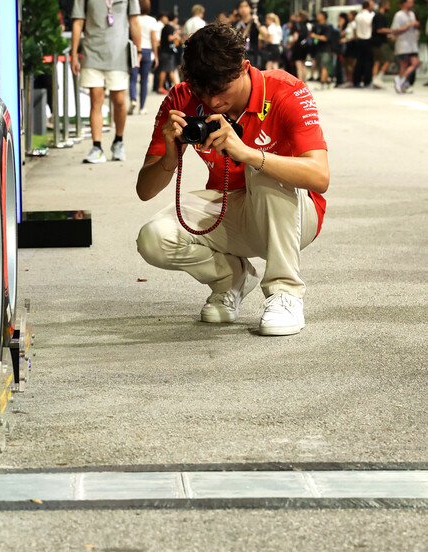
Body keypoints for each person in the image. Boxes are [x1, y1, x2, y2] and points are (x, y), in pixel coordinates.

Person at [134, 22, 330, 336]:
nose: (212, 102)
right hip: (231, 209)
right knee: (153, 238)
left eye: (220, 91)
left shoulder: (285, 89)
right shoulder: (181, 99)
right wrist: (170, 158)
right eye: (203, 92)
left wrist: (248, 153)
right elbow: (145, 190)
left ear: (242, 69)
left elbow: (320, 177)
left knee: (262, 171)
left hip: (293, 216)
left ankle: (285, 293)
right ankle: (231, 280)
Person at [71, 0, 143, 163]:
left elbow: (134, 21)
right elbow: (78, 21)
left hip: (118, 54)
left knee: (119, 101)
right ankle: (97, 147)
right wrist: (74, 54)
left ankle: (119, 140)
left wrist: (138, 51)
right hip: (91, 52)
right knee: (96, 100)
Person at [130, 0, 160, 115]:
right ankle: (142, 107)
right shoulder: (152, 21)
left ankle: (133, 98)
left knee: (133, 78)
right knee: (144, 80)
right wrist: (156, 56)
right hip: (147, 51)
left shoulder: (133, 18)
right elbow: (154, 40)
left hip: (135, 50)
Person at [391, 0, 421, 93]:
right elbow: (395, 30)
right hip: (403, 43)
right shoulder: (399, 15)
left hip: (412, 43)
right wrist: (409, 25)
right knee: (404, 65)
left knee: (414, 63)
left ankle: (401, 82)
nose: (412, 2)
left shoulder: (412, 14)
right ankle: (401, 83)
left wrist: (415, 26)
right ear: (404, 3)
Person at [309, 11, 340, 88]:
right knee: (320, 66)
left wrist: (315, 36)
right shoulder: (315, 26)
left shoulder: (328, 27)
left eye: (319, 14)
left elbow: (326, 38)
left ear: (323, 16)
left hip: (326, 49)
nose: (318, 16)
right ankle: (324, 81)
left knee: (324, 66)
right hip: (317, 49)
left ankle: (323, 83)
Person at [157, 14, 182, 94]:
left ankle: (172, 87)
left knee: (167, 70)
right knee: (168, 70)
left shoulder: (165, 27)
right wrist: (176, 36)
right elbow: (169, 38)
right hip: (168, 52)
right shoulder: (170, 27)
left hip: (165, 51)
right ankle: (176, 88)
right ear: (175, 20)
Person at [234, 0, 264, 67]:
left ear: (251, 8)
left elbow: (265, 35)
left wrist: (257, 23)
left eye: (246, 6)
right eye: (241, 7)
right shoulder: (237, 24)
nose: (243, 9)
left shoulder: (257, 21)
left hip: (254, 53)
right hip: (241, 55)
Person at [372, 0, 395, 87]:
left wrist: (389, 36)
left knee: (377, 61)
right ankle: (379, 77)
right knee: (389, 59)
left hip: (375, 41)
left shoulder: (376, 16)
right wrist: (393, 30)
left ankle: (375, 79)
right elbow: (379, 29)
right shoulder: (380, 16)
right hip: (380, 42)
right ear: (384, 5)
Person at [352, 0, 375, 87]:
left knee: (359, 61)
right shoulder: (371, 15)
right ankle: (367, 80)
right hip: (367, 40)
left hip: (359, 40)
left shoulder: (358, 16)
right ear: (369, 6)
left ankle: (356, 80)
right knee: (368, 62)